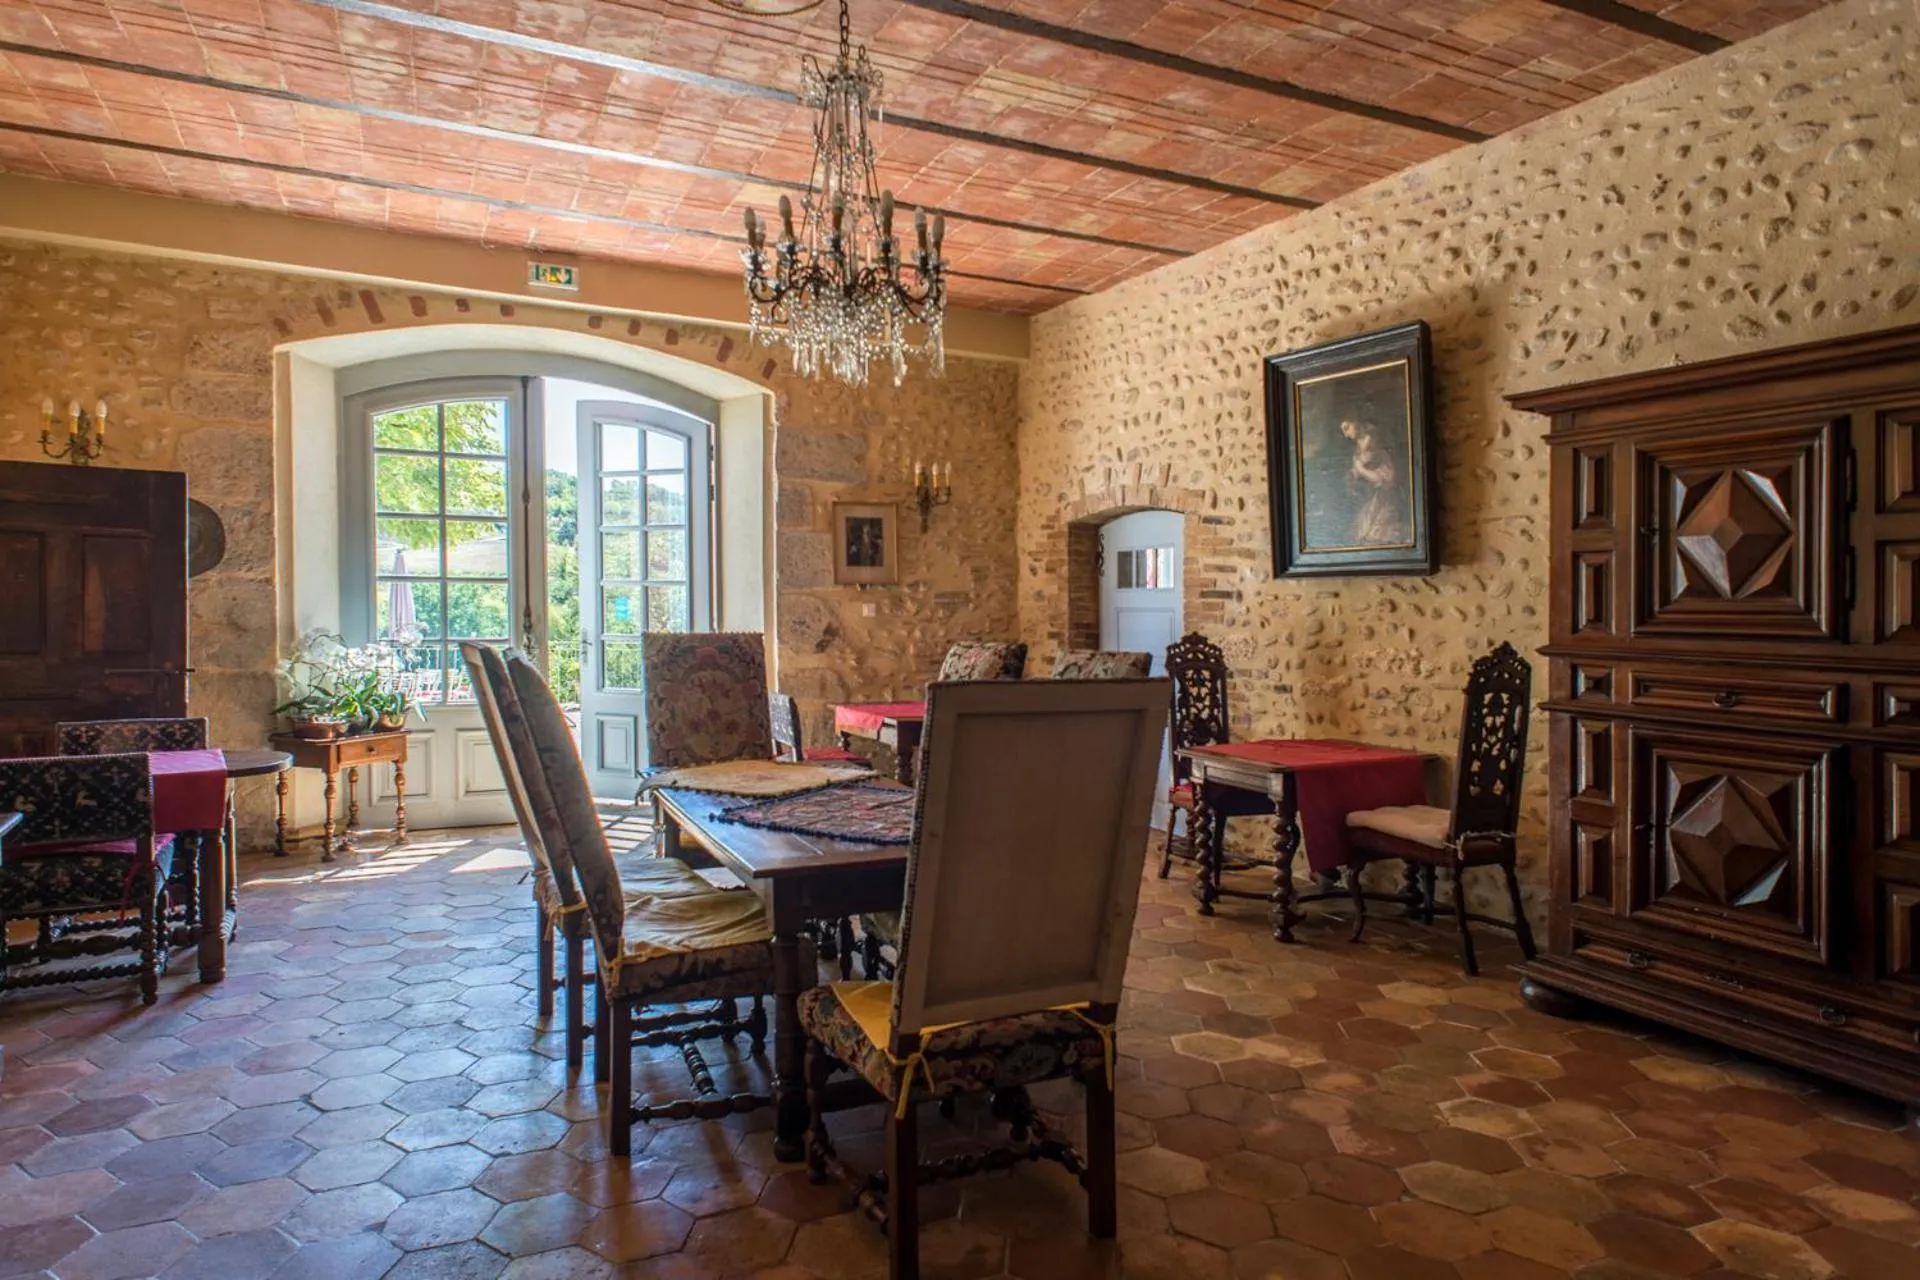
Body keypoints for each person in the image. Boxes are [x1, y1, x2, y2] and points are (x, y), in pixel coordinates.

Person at [1341, 417, 1405, 545]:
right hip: (1373, 492)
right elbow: (1358, 469)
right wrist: (1353, 474)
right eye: (1344, 431)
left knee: (1375, 530)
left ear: (1355, 422)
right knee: (1360, 529)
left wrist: (1359, 467)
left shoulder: (1371, 439)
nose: (1345, 434)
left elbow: (1374, 470)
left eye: (1347, 428)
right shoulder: (1359, 445)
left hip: (1385, 489)